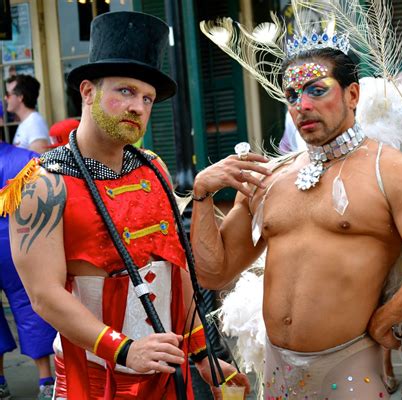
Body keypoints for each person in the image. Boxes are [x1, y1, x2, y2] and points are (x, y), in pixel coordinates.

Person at [193, 19, 402, 400]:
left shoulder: (395, 172)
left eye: (318, 91)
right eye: (292, 95)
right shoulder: (269, 179)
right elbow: (214, 274)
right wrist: (203, 193)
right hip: (276, 374)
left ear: (353, 95)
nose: (302, 106)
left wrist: (387, 318)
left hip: (351, 370)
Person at [1, 11, 248, 399]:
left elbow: (175, 269)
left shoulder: (153, 167)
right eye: (125, 91)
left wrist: (203, 352)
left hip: (165, 373)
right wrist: (125, 350)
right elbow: (44, 295)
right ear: (87, 92)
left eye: (147, 98)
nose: (138, 106)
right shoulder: (41, 183)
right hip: (93, 380)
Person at [0, 141, 57, 399]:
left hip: (15, 243)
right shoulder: (27, 159)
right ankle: (46, 380)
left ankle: (1, 382)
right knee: (29, 306)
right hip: (17, 245)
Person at [4, 74, 50, 153]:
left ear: (20, 97)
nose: (5, 98)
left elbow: (39, 161)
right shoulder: (28, 122)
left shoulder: (34, 124)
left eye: (8, 94)